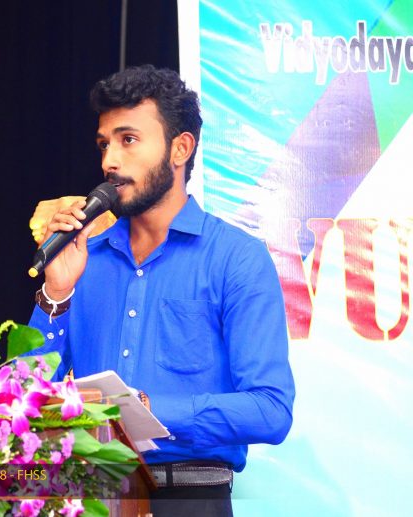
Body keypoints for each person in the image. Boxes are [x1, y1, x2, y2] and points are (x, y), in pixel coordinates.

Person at [28, 65, 295, 516]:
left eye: (128, 140)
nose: (109, 162)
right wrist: (56, 292)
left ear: (180, 148)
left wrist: (150, 409)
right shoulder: (84, 260)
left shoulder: (236, 258)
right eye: (104, 144)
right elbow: (26, 399)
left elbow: (271, 410)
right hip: (91, 496)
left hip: (191, 498)